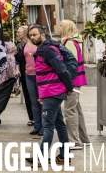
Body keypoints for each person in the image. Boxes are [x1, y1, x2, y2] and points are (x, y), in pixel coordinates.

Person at [25, 24, 73, 167]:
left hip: (53, 92)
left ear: (43, 35)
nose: (32, 37)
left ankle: (41, 157)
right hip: (49, 92)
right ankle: (65, 155)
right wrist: (41, 93)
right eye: (31, 35)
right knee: (59, 124)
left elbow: (61, 70)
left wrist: (69, 86)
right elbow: (43, 75)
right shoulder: (42, 50)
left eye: (35, 34)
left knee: (47, 126)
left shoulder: (48, 51)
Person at [60, 20, 89, 149]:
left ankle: (74, 141)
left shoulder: (69, 43)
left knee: (69, 109)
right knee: (76, 109)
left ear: (66, 28)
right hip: (78, 79)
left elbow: (71, 64)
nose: (59, 28)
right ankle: (83, 138)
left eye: (61, 26)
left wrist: (67, 82)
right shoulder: (75, 41)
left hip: (73, 80)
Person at [14, 26, 34, 127]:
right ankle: (31, 117)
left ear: (25, 33)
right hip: (23, 72)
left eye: (19, 32)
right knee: (27, 95)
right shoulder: (19, 46)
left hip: (31, 73)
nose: (17, 34)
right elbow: (18, 60)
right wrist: (17, 69)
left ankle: (37, 117)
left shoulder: (31, 45)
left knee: (33, 96)